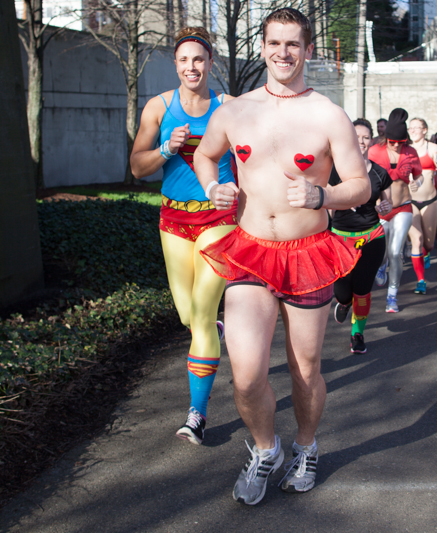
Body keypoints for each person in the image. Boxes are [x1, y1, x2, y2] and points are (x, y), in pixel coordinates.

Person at [194, 8, 370, 505]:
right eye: (275, 43)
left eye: (293, 44)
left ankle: (307, 446)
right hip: (250, 252)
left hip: (308, 252)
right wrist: (213, 187)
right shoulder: (234, 111)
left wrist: (322, 197)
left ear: (308, 49)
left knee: (305, 369)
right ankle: (266, 449)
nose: (283, 53)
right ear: (263, 46)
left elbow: (358, 186)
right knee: (247, 375)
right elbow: (206, 155)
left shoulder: (327, 114)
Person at [130, 26, 235, 446]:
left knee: (203, 313)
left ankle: (197, 414)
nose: (192, 67)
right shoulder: (159, 108)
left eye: (199, 59)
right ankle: (213, 331)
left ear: (211, 64)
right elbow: (137, 167)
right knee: (188, 317)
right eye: (184, 60)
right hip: (173, 221)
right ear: (175, 65)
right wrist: (167, 150)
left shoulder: (229, 106)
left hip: (220, 219)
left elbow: (254, 153)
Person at [330, 119, 393, 354]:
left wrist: (386, 207)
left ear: (372, 141)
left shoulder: (379, 173)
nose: (362, 142)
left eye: (366, 137)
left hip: (371, 236)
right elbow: (327, 200)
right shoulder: (336, 170)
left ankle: (357, 334)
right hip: (341, 237)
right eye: (357, 137)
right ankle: (344, 304)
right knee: (343, 290)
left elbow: (388, 201)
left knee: (363, 288)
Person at [369, 108, 423, 313]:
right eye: (393, 142)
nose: (396, 146)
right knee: (382, 252)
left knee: (395, 251)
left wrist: (417, 182)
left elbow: (419, 175)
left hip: (403, 208)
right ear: (386, 139)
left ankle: (392, 296)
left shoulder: (411, 153)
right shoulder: (375, 152)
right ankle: (381, 266)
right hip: (381, 210)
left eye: (400, 143)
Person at [408, 118, 437, 295]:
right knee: (417, 239)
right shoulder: (406, 151)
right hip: (410, 201)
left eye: (417, 127)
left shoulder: (433, 148)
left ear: (424, 130)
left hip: (430, 201)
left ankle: (427, 252)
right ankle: (420, 280)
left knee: (428, 244)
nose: (413, 130)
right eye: (411, 127)